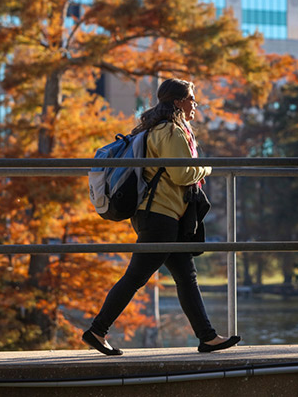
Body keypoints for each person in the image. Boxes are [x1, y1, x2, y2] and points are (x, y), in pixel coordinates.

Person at [83, 78, 240, 355]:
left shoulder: (158, 128)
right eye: (192, 99)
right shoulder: (170, 131)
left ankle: (207, 336)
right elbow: (181, 173)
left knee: (186, 277)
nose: (195, 105)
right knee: (135, 278)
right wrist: (206, 168)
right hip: (160, 216)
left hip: (165, 215)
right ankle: (97, 330)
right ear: (179, 101)